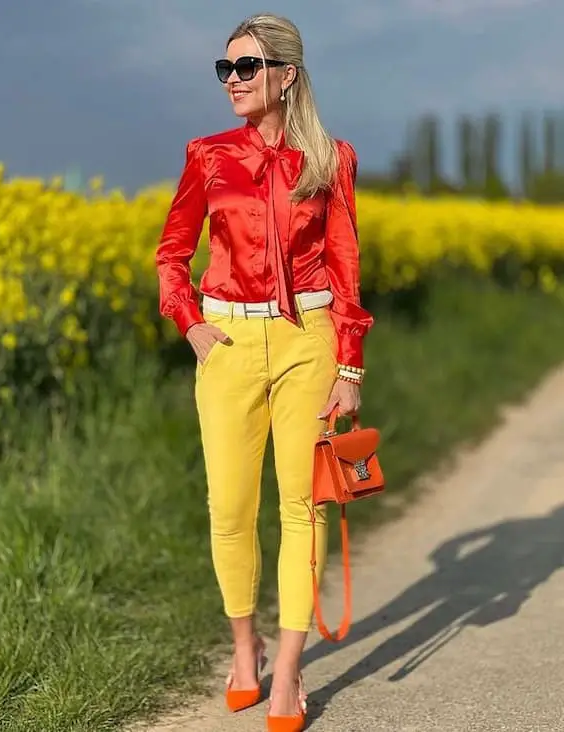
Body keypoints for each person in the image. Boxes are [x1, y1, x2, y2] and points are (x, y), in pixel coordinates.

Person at [155, 13, 373, 732]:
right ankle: (242, 650)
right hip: (229, 346)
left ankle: (286, 673)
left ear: (285, 75)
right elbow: (171, 253)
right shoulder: (208, 155)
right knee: (228, 507)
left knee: (301, 506)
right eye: (226, 70)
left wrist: (349, 364)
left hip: (308, 339)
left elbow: (346, 266)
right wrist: (191, 326)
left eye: (246, 68)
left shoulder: (330, 159)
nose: (233, 82)